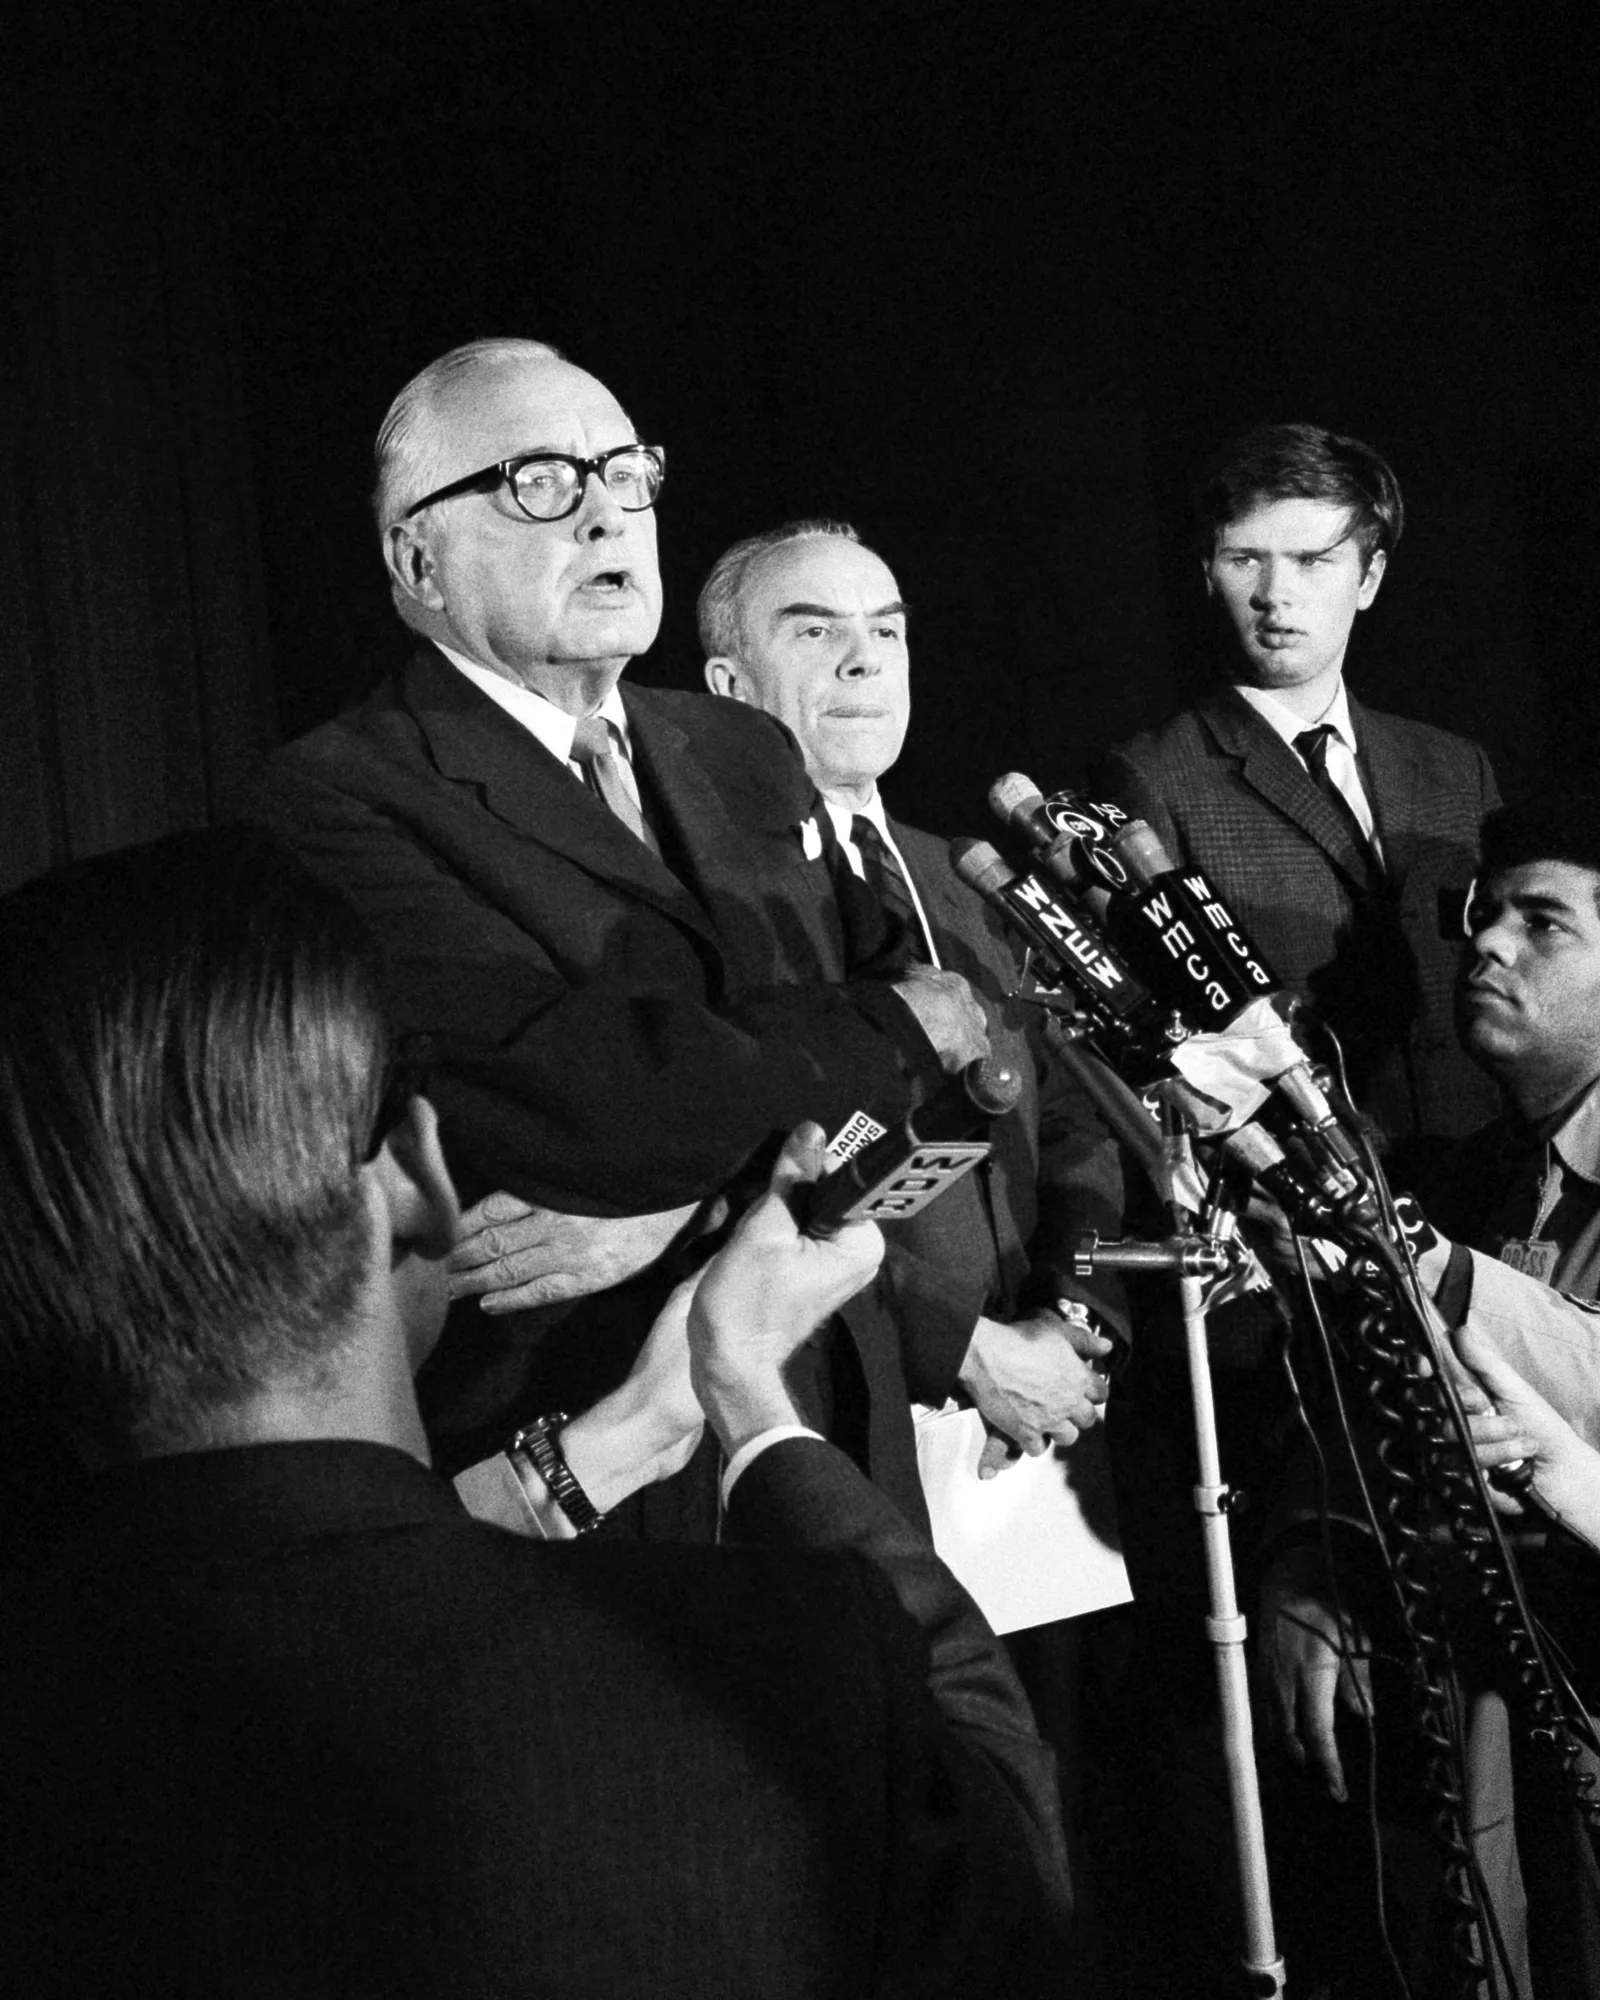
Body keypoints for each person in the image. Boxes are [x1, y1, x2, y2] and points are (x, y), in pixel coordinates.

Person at [0, 827, 1072, 1999]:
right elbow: (1005, 1848)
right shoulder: (781, 1677)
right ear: (414, 1174)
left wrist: (624, 1436)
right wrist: (750, 1392)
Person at [245, 337, 989, 1508]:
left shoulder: (742, 748)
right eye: (540, 482)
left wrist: (692, 1202)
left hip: (841, 1420)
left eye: (626, 471)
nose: (607, 517)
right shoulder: (339, 799)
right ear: (418, 559)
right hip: (594, 1467)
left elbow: (954, 1082)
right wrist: (871, 1042)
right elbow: (605, 1108)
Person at [1260, 799, 1600, 1997]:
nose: (1487, 946)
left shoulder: (1432, 1223)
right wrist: (1319, 1558)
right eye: (1482, 918)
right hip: (1471, 1744)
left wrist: (1426, 1262)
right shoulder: (1464, 1179)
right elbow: (1360, 1400)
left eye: (1541, 923)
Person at [700, 518, 1127, 1470]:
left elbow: (1082, 1133)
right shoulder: (707, 902)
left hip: (1042, 1431)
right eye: (816, 633)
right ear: (728, 689)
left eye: (886, 631)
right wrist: (966, 1350)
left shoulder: (975, 882)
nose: (866, 663)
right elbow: (751, 1180)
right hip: (838, 1431)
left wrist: (1075, 1314)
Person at [1098, 422, 1501, 1161]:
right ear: (1205, 571)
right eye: (1245, 558)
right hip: (1311, 1214)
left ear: (1370, 578)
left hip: (1487, 1181)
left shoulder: (1454, 768)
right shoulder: (1153, 775)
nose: (1275, 596)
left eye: (1313, 560)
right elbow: (1160, 1050)